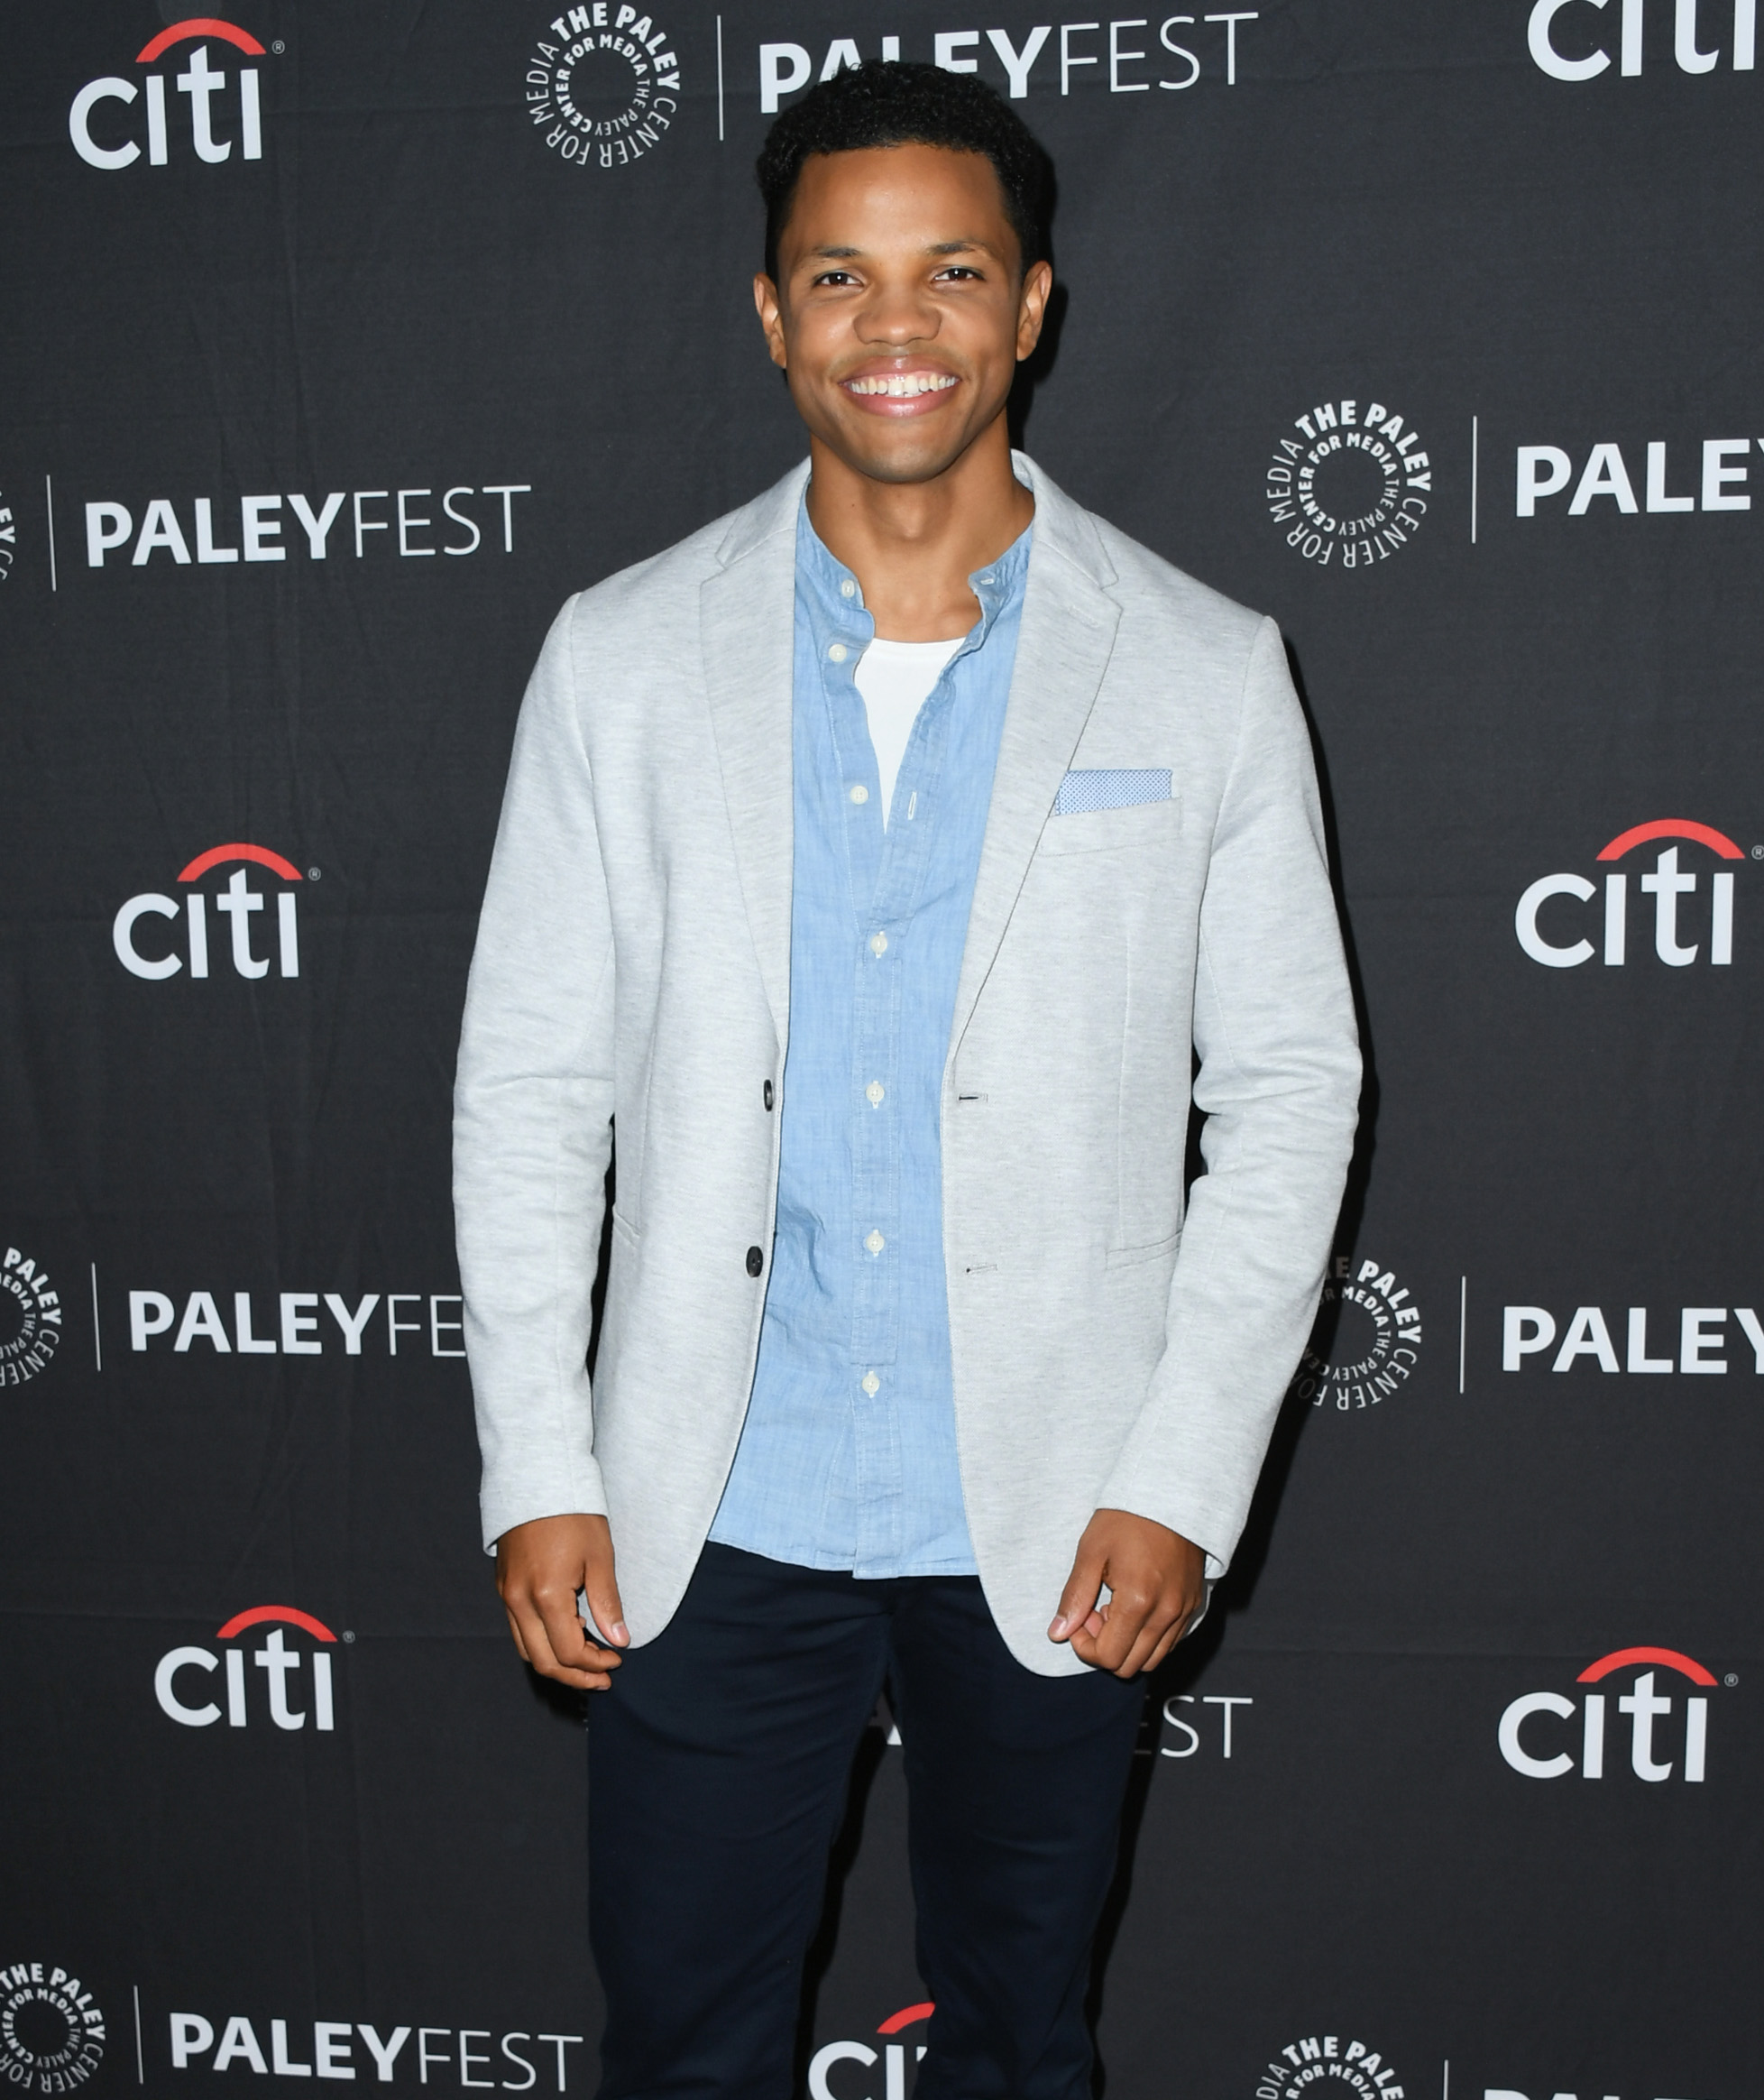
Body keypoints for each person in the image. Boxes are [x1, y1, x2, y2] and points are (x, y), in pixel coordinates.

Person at [454, 60, 1358, 2100]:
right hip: (709, 1500)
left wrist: (1182, 1471)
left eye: (950, 271)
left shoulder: (1208, 666)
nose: (896, 327)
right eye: (838, 278)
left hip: (1050, 1504)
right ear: (771, 314)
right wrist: (542, 1464)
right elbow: (531, 1082)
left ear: (1030, 302)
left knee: (1022, 2042)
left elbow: (1292, 1089)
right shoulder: (617, 653)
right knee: (684, 2048)